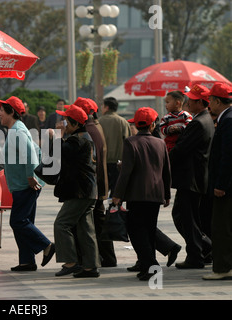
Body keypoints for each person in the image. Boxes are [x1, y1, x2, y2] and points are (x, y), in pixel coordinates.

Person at [112, 107, 171, 281]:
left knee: (137, 232)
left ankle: (151, 266)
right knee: (150, 231)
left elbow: (126, 172)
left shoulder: (131, 142)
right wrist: (167, 193)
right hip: (156, 194)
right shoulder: (160, 143)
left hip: (136, 194)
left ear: (136, 124)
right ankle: (147, 267)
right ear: (153, 124)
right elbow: (166, 171)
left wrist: (118, 194)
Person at [0, 96, 55, 272]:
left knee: (18, 221)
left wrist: (31, 176)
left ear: (11, 113)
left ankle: (46, 246)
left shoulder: (17, 131)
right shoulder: (17, 129)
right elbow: (36, 150)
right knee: (24, 221)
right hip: (22, 184)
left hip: (25, 185)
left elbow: (30, 154)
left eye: (2, 110)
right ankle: (27, 261)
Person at [169, 85, 215, 269]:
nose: (188, 102)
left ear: (199, 103)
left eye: (191, 99)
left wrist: (164, 159)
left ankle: (199, 252)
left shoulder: (199, 122)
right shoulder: (203, 120)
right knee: (188, 217)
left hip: (191, 178)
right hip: (195, 177)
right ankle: (203, 250)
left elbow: (181, 149)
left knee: (186, 217)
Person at [52, 104, 100, 277]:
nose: (62, 123)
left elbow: (57, 155)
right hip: (88, 191)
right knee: (85, 228)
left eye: (65, 120)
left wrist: (57, 136)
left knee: (61, 224)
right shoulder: (85, 138)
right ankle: (90, 267)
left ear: (73, 124)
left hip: (79, 192)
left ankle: (71, 262)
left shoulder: (76, 141)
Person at [72, 97, 117, 267]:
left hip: (92, 185)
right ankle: (107, 258)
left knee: (88, 224)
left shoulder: (88, 130)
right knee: (98, 222)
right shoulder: (96, 126)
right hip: (99, 183)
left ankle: (91, 259)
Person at [202, 82, 232, 280]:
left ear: (217, 101)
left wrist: (220, 184)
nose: (208, 104)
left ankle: (223, 268)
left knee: (222, 227)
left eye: (210, 100)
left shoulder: (228, 120)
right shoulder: (226, 118)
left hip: (226, 186)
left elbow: (227, 156)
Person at [98, 97, 131, 196]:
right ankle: (114, 209)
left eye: (102, 106)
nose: (101, 108)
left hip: (102, 162)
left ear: (107, 107)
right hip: (119, 163)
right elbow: (128, 143)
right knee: (116, 192)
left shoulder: (99, 122)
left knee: (102, 192)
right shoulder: (123, 122)